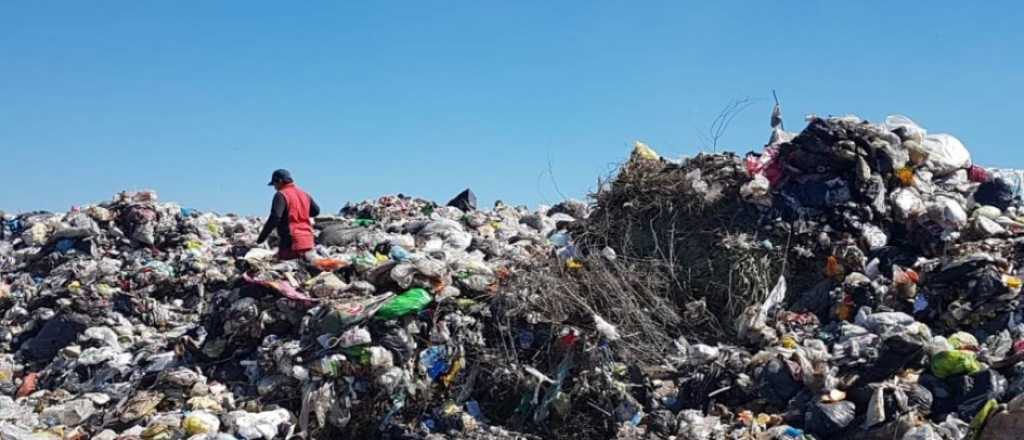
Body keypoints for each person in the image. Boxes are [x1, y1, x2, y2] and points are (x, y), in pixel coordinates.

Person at [257, 169, 321, 260]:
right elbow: (316, 211)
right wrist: (301, 212)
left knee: (288, 270)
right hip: (308, 240)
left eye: (274, 184)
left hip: (291, 242)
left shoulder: (281, 195)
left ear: (279, 181)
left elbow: (275, 217)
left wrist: (261, 238)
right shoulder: (304, 194)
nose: (274, 187)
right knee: (304, 271)